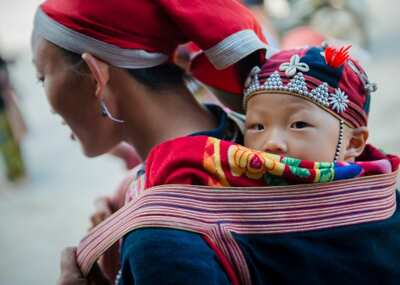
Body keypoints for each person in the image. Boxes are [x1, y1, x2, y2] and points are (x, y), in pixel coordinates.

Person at [79, 45, 400, 285]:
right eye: (257, 127)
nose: (272, 142)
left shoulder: (381, 202)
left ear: (355, 143)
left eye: (299, 125)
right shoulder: (227, 179)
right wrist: (115, 204)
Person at [31, 0, 268, 284]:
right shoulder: (263, 142)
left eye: (41, 76)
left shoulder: (158, 235)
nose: (49, 107)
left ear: (96, 77)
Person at [0, 55, 27, 182]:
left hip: (5, 108)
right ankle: (15, 171)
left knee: (10, 141)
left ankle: (17, 172)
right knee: (7, 142)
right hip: (6, 107)